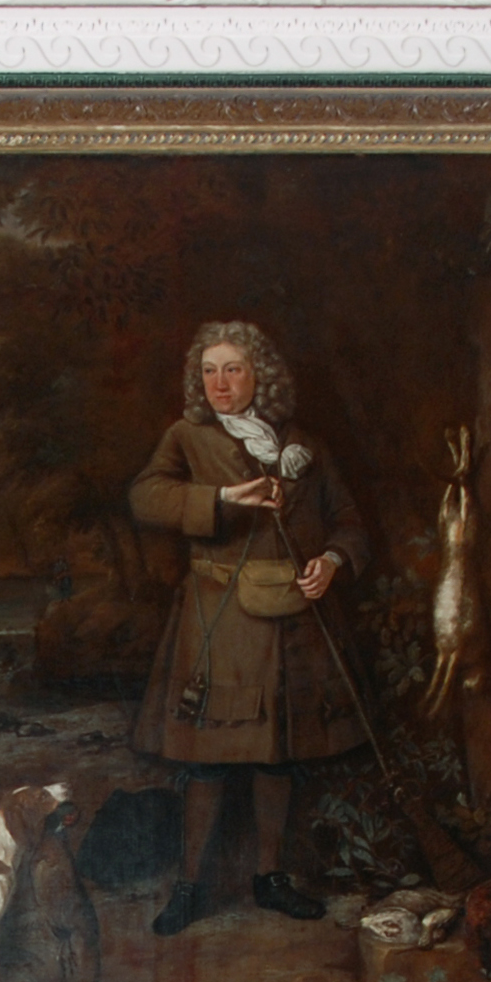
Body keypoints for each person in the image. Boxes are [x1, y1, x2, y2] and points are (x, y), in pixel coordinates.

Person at [127, 320, 373, 935]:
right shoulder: (187, 437)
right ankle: (189, 887)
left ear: (261, 374)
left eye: (232, 369)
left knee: (276, 757)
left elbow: (350, 522)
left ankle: (271, 879)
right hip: (217, 619)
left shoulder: (305, 445)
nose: (220, 383)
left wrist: (331, 562)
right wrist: (223, 499)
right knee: (208, 761)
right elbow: (145, 498)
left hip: (291, 622)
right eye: (209, 371)